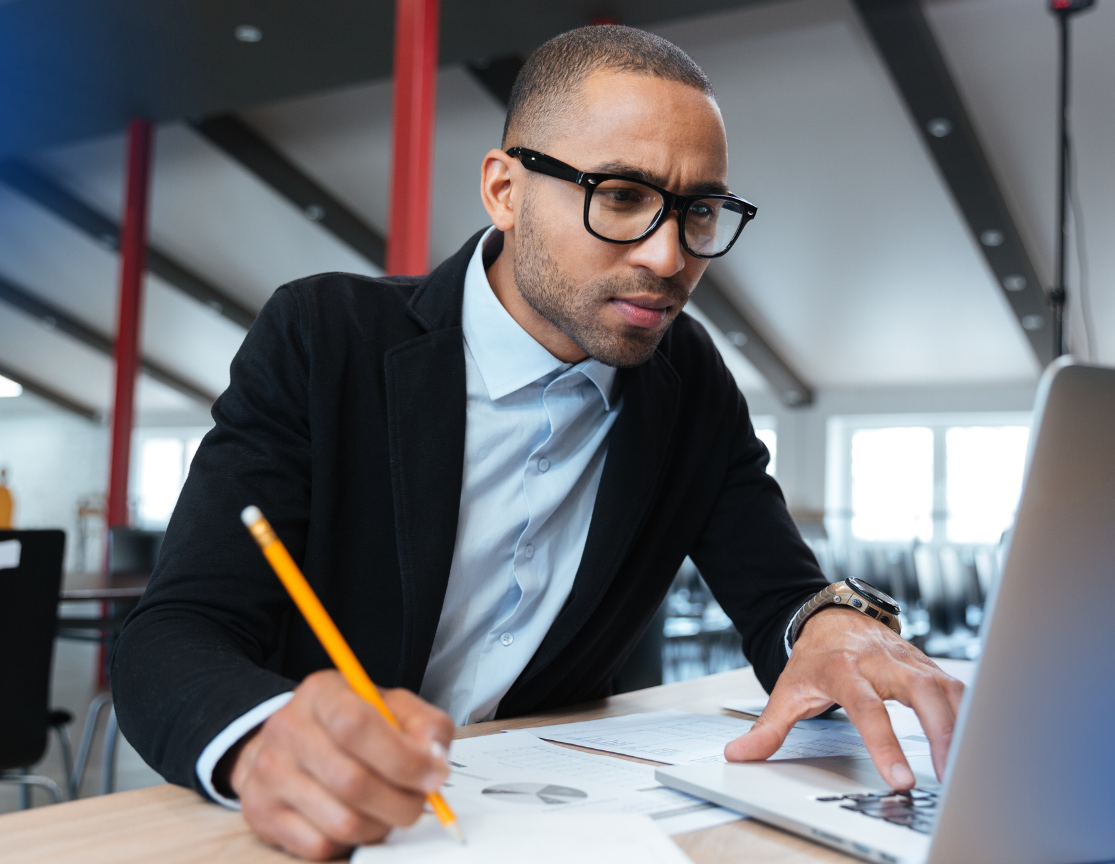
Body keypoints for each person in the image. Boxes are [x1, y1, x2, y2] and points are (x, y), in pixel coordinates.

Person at [112, 24, 963, 860]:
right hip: (322, 832)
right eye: (621, 196)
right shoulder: (325, 336)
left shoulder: (688, 378)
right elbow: (173, 633)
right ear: (504, 190)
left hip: (548, 828)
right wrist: (264, 741)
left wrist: (832, 629)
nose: (668, 257)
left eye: (699, 211)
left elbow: (782, 599)